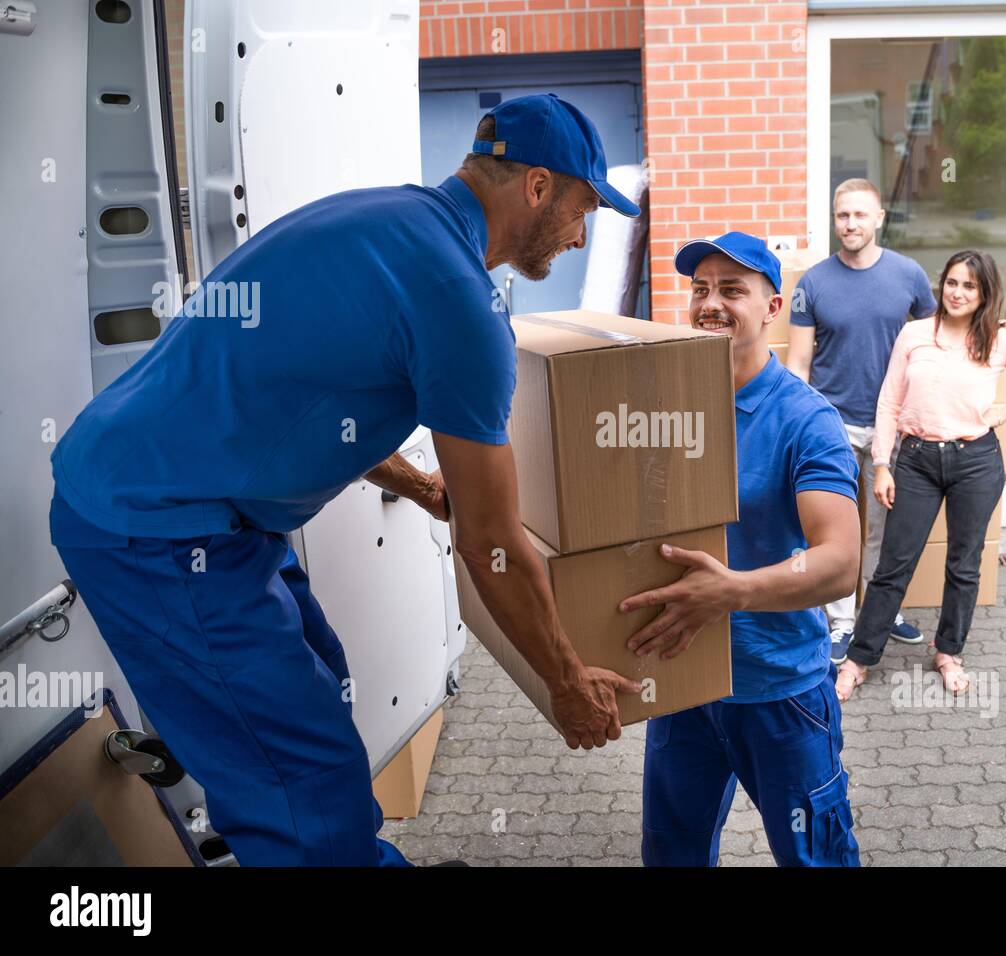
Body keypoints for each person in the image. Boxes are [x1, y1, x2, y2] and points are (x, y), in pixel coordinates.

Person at [46, 94, 645, 866]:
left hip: (184, 501)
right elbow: (491, 543)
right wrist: (565, 680)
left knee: (322, 682)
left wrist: (428, 489)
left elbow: (319, 395)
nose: (580, 235)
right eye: (581, 207)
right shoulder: (460, 303)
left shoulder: (386, 220)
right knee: (302, 780)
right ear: (537, 186)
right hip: (156, 527)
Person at [618, 232, 862, 867]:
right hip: (685, 681)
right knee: (672, 855)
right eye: (700, 289)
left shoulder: (806, 421)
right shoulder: (669, 409)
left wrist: (732, 592)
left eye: (732, 289)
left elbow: (839, 560)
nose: (711, 304)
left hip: (779, 690)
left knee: (815, 860)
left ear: (773, 307)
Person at [835, 250, 1006, 702]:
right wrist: (882, 464)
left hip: (976, 462)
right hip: (917, 460)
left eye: (969, 286)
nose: (958, 292)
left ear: (984, 294)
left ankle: (948, 652)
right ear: (939, 286)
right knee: (893, 564)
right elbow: (888, 403)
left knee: (965, 564)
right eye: (951, 283)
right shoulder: (915, 333)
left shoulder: (999, 341)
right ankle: (859, 659)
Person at [786, 178, 937, 665]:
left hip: (892, 426)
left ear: (879, 219)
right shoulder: (813, 283)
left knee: (884, 530)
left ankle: (881, 612)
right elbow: (798, 364)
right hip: (832, 425)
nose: (849, 224)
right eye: (841, 215)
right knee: (838, 527)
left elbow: (936, 343)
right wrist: (800, 426)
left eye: (859, 215)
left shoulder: (909, 276)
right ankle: (842, 622)